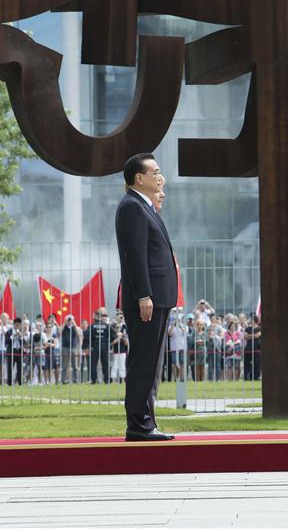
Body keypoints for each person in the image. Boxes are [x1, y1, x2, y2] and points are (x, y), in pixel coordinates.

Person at [116, 153, 178, 441]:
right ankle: (139, 425)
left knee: (153, 362)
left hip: (159, 297)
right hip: (148, 299)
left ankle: (146, 422)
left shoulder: (145, 207)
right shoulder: (132, 207)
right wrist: (143, 294)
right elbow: (135, 256)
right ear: (139, 178)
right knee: (144, 360)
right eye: (154, 172)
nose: (160, 176)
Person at [110, 312, 129, 383]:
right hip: (115, 350)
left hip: (123, 350)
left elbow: (126, 342)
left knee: (122, 365)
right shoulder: (112, 326)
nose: (120, 318)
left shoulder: (125, 327)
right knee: (114, 365)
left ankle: (123, 379)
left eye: (121, 317)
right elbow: (111, 341)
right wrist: (118, 338)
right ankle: (113, 380)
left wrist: (123, 337)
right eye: (119, 316)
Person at [243, 314, 262, 381]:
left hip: (257, 349)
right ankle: (247, 377)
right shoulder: (247, 328)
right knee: (247, 364)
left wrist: (250, 336)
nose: (249, 320)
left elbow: (258, 335)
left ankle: (256, 377)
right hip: (248, 349)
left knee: (257, 364)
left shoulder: (260, 328)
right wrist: (254, 335)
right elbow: (245, 337)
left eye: (250, 319)